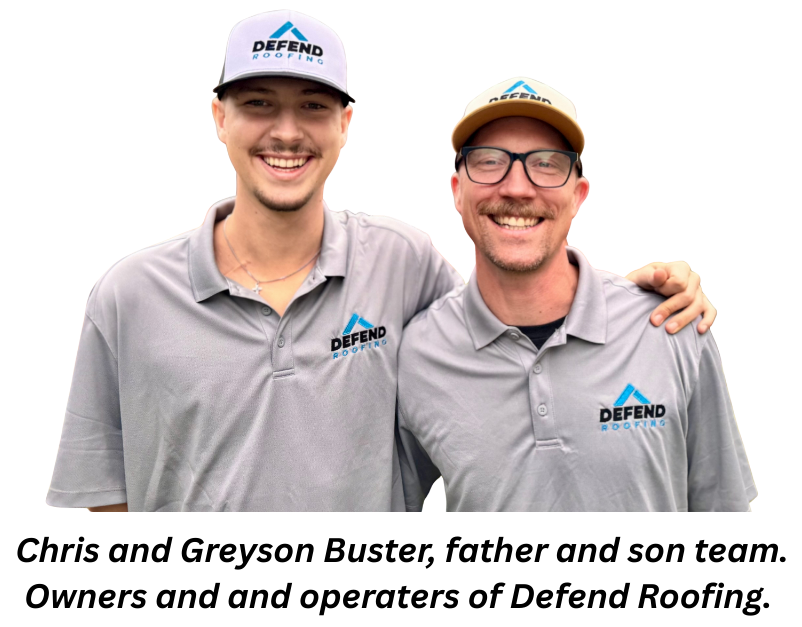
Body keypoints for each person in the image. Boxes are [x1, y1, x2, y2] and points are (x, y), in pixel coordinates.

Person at [46, 12, 717, 512]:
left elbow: (509, 329)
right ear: (219, 117)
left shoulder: (402, 260)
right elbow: (107, 494)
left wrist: (635, 301)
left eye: (313, 106)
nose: (286, 131)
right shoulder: (125, 294)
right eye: (258, 104)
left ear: (345, 125)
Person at [395, 76, 755, 512]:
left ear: (578, 195)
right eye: (489, 161)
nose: (517, 188)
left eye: (546, 164)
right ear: (456, 191)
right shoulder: (414, 357)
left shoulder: (673, 328)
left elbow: (722, 503)